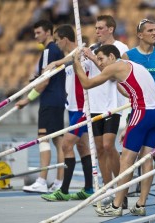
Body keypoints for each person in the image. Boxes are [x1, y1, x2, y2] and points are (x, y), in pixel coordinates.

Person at [73, 44, 155, 217]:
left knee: (126, 161)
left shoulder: (116, 67)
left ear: (112, 57)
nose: (99, 63)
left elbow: (87, 83)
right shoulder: (130, 66)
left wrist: (76, 62)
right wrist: (94, 59)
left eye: (101, 59)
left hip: (143, 112)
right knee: (146, 159)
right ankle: (140, 204)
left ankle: (116, 206)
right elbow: (125, 90)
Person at [121, 19, 155, 209]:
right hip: (137, 109)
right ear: (140, 34)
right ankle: (123, 195)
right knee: (131, 154)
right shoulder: (128, 56)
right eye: (150, 30)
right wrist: (132, 94)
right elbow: (120, 84)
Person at [41, 25, 94, 201]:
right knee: (82, 147)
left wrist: (54, 63)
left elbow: (77, 54)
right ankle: (88, 189)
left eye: (56, 40)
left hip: (82, 109)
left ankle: (63, 190)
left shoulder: (80, 53)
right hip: (72, 108)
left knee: (66, 145)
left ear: (64, 39)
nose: (55, 44)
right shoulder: (68, 59)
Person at [82, 15, 129, 207]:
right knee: (99, 149)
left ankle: (121, 189)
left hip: (113, 105)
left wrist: (93, 58)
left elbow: (115, 74)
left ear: (110, 29)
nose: (97, 31)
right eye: (95, 28)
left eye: (100, 28)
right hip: (94, 105)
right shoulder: (92, 49)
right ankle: (107, 187)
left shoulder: (121, 48)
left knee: (109, 146)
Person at [16, 20, 66, 193]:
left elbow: (44, 82)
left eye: (38, 33)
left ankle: (42, 181)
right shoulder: (55, 50)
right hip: (58, 100)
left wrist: (27, 99)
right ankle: (59, 182)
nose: (36, 36)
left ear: (48, 33)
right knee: (58, 141)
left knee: (43, 139)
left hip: (50, 100)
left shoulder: (48, 50)